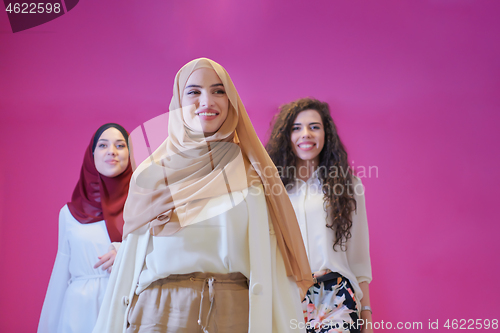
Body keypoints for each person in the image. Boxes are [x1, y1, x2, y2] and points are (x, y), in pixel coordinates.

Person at [92, 58, 313, 333]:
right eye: (194, 92)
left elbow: (272, 262)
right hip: (158, 312)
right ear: (178, 101)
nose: (207, 101)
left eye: (219, 91)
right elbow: (131, 262)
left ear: (231, 100)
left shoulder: (253, 176)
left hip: (233, 311)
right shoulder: (150, 175)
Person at [266, 98, 373, 333]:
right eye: (296, 128)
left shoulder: (349, 185)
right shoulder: (271, 188)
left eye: (314, 127)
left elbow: (358, 258)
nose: (306, 134)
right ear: (286, 136)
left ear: (326, 134)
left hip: (335, 297)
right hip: (285, 294)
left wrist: (366, 313)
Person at [38, 123, 133, 333]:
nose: (112, 151)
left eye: (120, 145)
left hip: (127, 306)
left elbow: (163, 256)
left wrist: (128, 252)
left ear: (130, 153)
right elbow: (61, 272)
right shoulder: (69, 214)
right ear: (92, 155)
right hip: (79, 312)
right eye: (103, 145)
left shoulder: (144, 206)